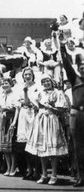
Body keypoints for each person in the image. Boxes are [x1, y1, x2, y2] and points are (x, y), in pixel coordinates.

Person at [25, 74, 69, 185]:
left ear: (52, 82)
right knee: (41, 149)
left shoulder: (58, 93)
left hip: (51, 120)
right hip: (40, 121)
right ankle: (44, 174)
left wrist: (52, 108)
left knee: (52, 150)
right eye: (44, 82)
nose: (46, 83)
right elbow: (32, 104)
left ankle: (54, 175)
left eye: (48, 81)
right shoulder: (40, 93)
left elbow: (62, 110)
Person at [60, 39, 84, 187]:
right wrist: (62, 48)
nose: (83, 69)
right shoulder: (75, 80)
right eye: (81, 67)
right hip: (78, 115)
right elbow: (67, 64)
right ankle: (81, 176)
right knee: (78, 147)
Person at [0, 77, 20, 177]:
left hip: (10, 119)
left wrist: (14, 122)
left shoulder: (15, 94)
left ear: (11, 84)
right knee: (4, 147)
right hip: (2, 119)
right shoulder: (1, 95)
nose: (5, 85)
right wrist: (0, 113)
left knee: (11, 147)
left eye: (7, 83)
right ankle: (8, 167)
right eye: (3, 83)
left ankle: (13, 167)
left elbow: (17, 109)